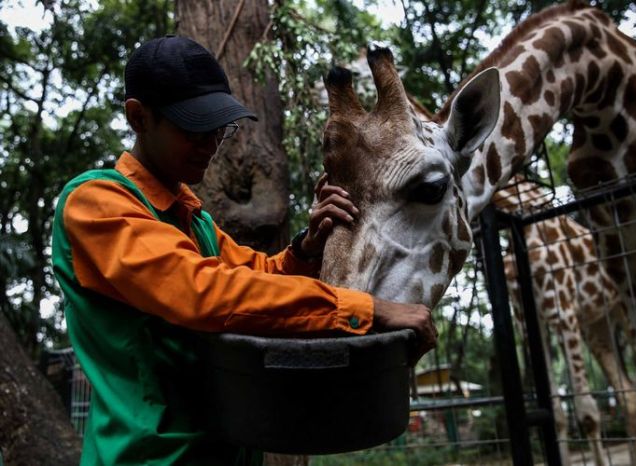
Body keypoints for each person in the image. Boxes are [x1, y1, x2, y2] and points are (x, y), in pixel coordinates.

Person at [51, 35, 436, 465]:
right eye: (192, 127)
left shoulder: (193, 220)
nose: (212, 142)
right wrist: (367, 308)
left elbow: (256, 276)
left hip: (226, 451)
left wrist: (308, 248)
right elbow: (204, 293)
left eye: (218, 127)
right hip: (151, 457)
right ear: (139, 118)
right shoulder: (95, 203)